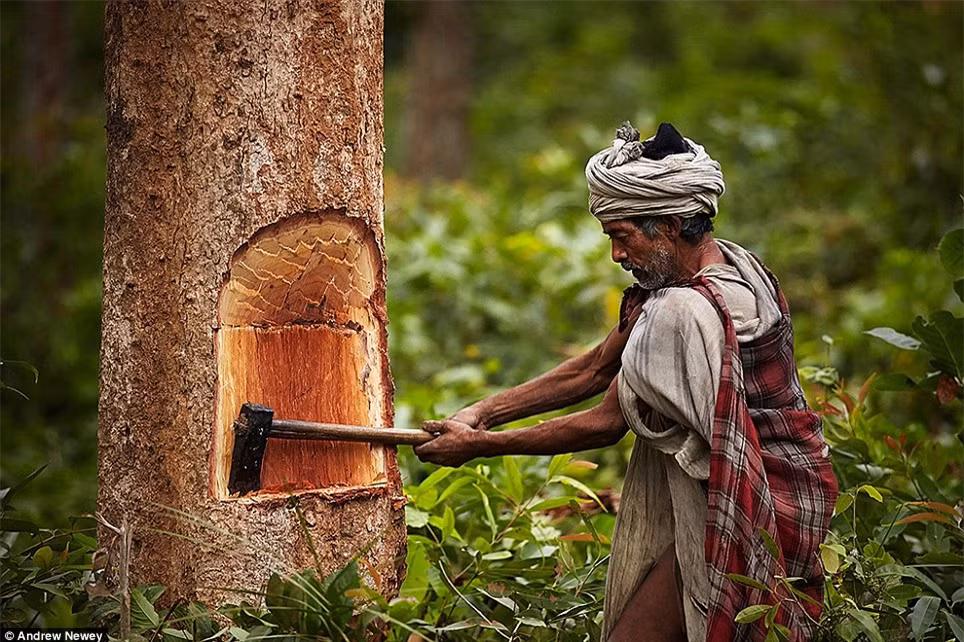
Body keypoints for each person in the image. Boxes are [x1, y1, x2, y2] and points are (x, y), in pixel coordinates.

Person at [414, 122, 837, 642]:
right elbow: (593, 368)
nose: (616, 255)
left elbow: (605, 423)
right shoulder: (739, 265)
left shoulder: (681, 311)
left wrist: (480, 446)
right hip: (765, 493)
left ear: (672, 223)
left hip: (741, 505)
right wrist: (482, 411)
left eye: (622, 236)